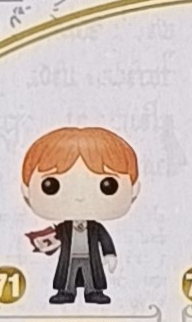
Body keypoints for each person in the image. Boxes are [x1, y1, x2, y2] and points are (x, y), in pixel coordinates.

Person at [20, 126, 140, 304]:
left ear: (134, 188)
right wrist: (41, 243)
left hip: (90, 256)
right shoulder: (63, 228)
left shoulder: (96, 228)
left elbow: (105, 239)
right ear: (26, 189)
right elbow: (50, 239)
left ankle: (93, 292)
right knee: (67, 274)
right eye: (51, 185)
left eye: (108, 185)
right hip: (69, 257)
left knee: (92, 274)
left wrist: (110, 254)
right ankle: (66, 292)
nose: (79, 197)